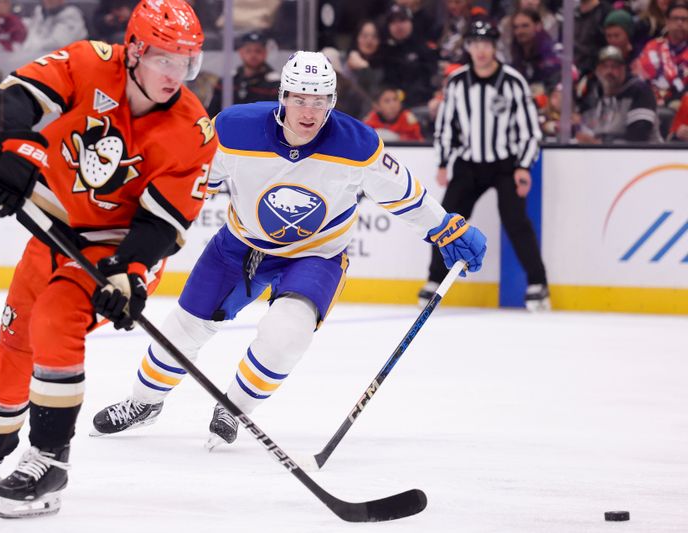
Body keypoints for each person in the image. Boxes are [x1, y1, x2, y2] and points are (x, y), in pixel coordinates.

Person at [0, 0, 217, 519]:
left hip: (114, 246)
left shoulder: (192, 131)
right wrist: (16, 153)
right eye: (165, 58)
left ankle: (49, 459)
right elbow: (14, 100)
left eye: (186, 61)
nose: (176, 74)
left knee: (56, 319)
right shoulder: (89, 62)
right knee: (14, 340)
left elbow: (162, 224)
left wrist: (130, 274)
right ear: (135, 50)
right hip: (53, 229)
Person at [89, 50, 487, 447]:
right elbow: (188, 183)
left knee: (286, 333)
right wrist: (138, 218)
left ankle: (234, 406)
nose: (308, 111)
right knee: (181, 328)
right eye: (299, 98)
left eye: (319, 101)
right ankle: (144, 402)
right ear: (282, 96)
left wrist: (447, 229)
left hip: (316, 256)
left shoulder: (358, 145)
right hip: (238, 246)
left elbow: (406, 196)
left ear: (332, 102)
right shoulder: (233, 129)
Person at [419, 20, 549, 311]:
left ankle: (538, 283)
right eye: (475, 44)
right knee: (445, 222)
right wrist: (443, 162)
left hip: (505, 164)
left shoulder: (513, 81)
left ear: (494, 47)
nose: (480, 50)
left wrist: (523, 166)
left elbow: (529, 130)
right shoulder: (457, 82)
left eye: (486, 44)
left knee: (516, 221)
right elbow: (446, 126)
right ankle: (434, 281)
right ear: (468, 48)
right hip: (467, 165)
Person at [576, 46, 660, 144]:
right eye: (605, 66)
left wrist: (599, 143)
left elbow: (639, 136)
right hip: (601, 154)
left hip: (645, 155)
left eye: (614, 66)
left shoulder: (639, 91)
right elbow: (584, 128)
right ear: (597, 70)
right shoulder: (593, 93)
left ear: (623, 69)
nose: (609, 71)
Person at [206, 31, 280, 117]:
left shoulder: (275, 83)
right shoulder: (228, 80)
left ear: (265, 53)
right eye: (248, 50)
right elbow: (211, 112)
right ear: (240, 52)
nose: (253, 55)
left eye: (258, 51)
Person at [21, 0, 88, 52]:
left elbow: (58, 44)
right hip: (37, 58)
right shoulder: (41, 12)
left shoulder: (71, 15)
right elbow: (32, 32)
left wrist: (30, 47)